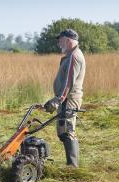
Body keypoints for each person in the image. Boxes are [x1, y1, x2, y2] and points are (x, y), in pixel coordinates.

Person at [44, 29, 86, 168]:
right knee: (63, 131)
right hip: (66, 99)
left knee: (67, 131)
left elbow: (69, 81)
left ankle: (72, 167)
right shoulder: (70, 55)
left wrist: (58, 100)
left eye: (61, 40)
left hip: (69, 99)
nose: (59, 43)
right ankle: (71, 165)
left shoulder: (74, 57)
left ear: (68, 40)